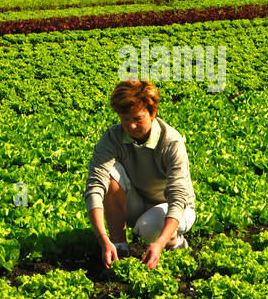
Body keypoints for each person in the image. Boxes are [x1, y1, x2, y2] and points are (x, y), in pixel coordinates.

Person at [84, 79, 196, 270]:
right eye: (125, 119)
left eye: (137, 119)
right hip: (138, 201)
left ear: (152, 113)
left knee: (149, 227)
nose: (131, 127)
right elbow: (95, 185)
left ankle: (175, 242)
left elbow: (178, 197)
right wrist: (103, 238)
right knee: (109, 173)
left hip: (176, 208)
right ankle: (119, 246)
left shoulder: (171, 142)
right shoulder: (113, 137)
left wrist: (159, 244)